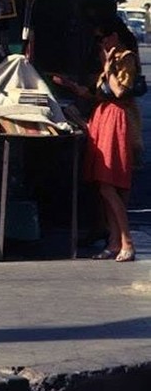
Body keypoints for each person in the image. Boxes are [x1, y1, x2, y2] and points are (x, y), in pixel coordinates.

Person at [53, 17, 142, 262]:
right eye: (98, 39)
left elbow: (119, 91)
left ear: (115, 36)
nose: (101, 43)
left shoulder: (126, 59)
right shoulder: (110, 60)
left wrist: (108, 67)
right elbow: (96, 93)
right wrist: (70, 85)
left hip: (117, 119)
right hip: (103, 117)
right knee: (103, 184)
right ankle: (115, 241)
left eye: (104, 37)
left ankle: (126, 241)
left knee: (110, 183)